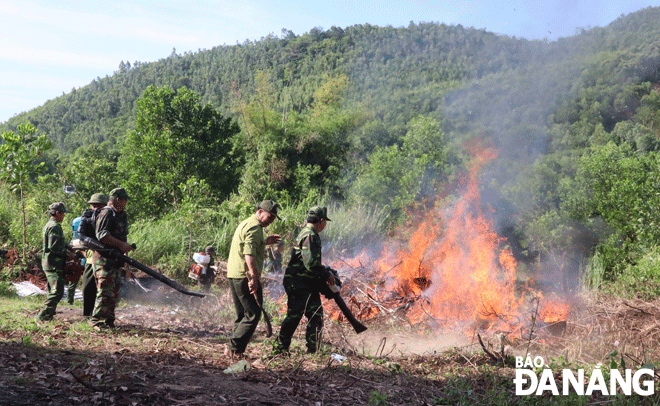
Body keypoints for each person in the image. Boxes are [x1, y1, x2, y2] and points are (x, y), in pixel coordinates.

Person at [273, 206, 336, 354]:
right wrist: (326, 275)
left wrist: (322, 281)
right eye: (325, 221)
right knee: (294, 316)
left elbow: (310, 265)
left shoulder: (309, 233)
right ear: (321, 221)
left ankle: (313, 350)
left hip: (306, 282)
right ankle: (279, 349)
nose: (325, 224)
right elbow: (310, 264)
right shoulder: (310, 235)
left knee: (316, 315)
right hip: (298, 283)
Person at [225, 200, 281, 358]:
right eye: (269, 216)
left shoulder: (247, 223)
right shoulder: (255, 228)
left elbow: (249, 245)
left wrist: (265, 242)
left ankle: (233, 350)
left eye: (274, 218)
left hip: (234, 274)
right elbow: (248, 254)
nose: (271, 220)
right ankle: (234, 348)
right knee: (253, 313)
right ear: (260, 211)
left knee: (242, 314)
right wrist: (254, 277)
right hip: (244, 275)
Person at [90, 188, 134, 331]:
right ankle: (95, 321)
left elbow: (123, 238)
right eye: (124, 200)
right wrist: (121, 245)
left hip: (117, 260)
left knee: (115, 291)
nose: (126, 203)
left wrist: (126, 257)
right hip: (104, 259)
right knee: (104, 290)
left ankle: (109, 321)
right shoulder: (106, 213)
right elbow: (102, 235)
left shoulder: (122, 215)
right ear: (117, 200)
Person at [36, 202, 72, 322]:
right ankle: (41, 316)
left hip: (49, 262)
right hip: (53, 263)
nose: (64, 216)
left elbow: (57, 243)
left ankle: (49, 315)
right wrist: (69, 254)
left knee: (52, 290)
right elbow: (54, 247)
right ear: (58, 213)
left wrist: (68, 246)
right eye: (63, 214)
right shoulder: (54, 226)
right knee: (57, 291)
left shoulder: (50, 225)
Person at [76, 193, 108, 316]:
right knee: (88, 289)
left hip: (105, 260)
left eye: (98, 206)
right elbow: (80, 238)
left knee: (104, 290)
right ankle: (88, 315)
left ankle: (102, 315)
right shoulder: (87, 219)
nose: (95, 209)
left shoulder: (108, 219)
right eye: (93, 206)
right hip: (90, 260)